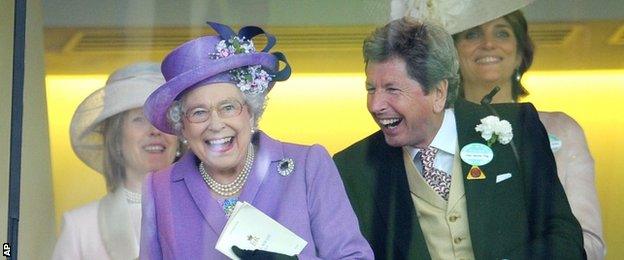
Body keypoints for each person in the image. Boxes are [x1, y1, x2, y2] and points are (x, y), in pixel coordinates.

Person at [333, 17, 585, 259]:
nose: (376, 105)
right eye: (370, 89)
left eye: (392, 89)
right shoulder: (353, 166)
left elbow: (563, 237)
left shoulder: (517, 129)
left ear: (438, 93)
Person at [139, 21, 373, 259]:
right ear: (183, 128)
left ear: (251, 113)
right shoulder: (160, 188)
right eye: (199, 113)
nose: (216, 124)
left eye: (228, 107)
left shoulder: (307, 167)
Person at [453, 10, 605, 259]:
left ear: (520, 53)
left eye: (502, 32)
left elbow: (589, 240)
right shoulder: (434, 132)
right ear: (454, 53)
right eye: (473, 34)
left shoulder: (561, 129)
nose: (488, 43)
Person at [52, 62, 179, 260]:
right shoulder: (81, 226)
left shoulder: (206, 210)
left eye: (163, 119)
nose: (154, 130)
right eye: (139, 119)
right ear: (117, 139)